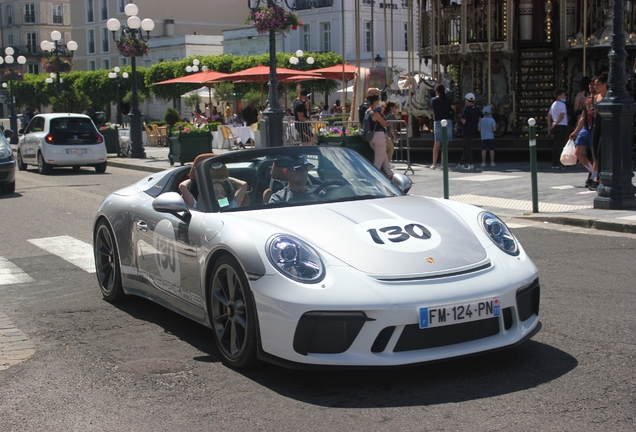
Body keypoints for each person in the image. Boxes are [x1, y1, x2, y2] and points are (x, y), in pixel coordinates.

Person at [569, 78, 598, 188]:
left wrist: (591, 110)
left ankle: (592, 178)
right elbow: (583, 117)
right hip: (586, 128)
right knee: (578, 152)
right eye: (590, 85)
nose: (591, 87)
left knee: (595, 155)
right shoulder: (588, 99)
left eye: (594, 85)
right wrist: (576, 131)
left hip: (595, 128)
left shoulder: (599, 100)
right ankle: (592, 171)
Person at [366, 94, 394, 179]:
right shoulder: (375, 113)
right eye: (377, 101)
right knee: (378, 159)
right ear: (375, 102)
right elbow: (384, 123)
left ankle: (390, 175)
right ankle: (375, 177)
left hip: (371, 137)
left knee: (384, 157)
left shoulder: (367, 111)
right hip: (379, 136)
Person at [429, 84, 454, 170]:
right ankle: (443, 164)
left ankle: (434, 163)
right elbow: (452, 109)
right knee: (445, 145)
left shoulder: (433, 100)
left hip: (438, 121)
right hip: (447, 121)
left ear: (436, 91)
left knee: (436, 144)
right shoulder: (448, 100)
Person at [547, 88, 569, 169]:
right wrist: (556, 123)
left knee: (556, 145)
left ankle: (554, 163)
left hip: (555, 126)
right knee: (560, 145)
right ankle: (560, 162)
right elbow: (562, 115)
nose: (565, 97)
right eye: (563, 95)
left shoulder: (553, 104)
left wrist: (550, 126)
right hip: (561, 125)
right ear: (559, 96)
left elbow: (549, 116)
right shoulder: (562, 105)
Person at [459, 92, 481, 169]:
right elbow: (479, 119)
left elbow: (464, 121)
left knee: (467, 147)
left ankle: (471, 163)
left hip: (466, 129)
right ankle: (461, 163)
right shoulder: (477, 108)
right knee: (465, 146)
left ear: (467, 100)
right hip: (473, 129)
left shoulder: (466, 109)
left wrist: (461, 119)